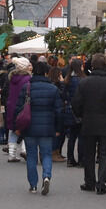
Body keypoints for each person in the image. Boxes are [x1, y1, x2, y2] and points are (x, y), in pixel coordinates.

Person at [72, 52, 106, 195]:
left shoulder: (84, 82)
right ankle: (101, 182)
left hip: (89, 121)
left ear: (92, 65)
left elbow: (76, 103)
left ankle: (90, 181)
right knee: (105, 153)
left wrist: (81, 116)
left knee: (89, 154)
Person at [17, 61, 64, 195]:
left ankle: (33, 185)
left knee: (31, 156)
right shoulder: (53, 89)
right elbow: (59, 111)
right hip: (47, 127)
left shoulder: (26, 87)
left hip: (29, 127)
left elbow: (18, 108)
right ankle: (46, 176)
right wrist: (58, 128)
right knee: (47, 154)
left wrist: (17, 127)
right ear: (46, 73)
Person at [5, 57, 32, 163]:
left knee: (13, 130)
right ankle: (25, 150)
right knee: (26, 127)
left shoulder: (12, 77)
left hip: (11, 105)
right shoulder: (27, 79)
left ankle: (11, 154)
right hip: (23, 105)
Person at [61, 57, 85, 166]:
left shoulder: (67, 79)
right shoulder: (83, 80)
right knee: (81, 136)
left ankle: (70, 159)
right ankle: (81, 159)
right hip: (81, 110)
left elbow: (63, 95)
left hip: (70, 110)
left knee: (72, 137)